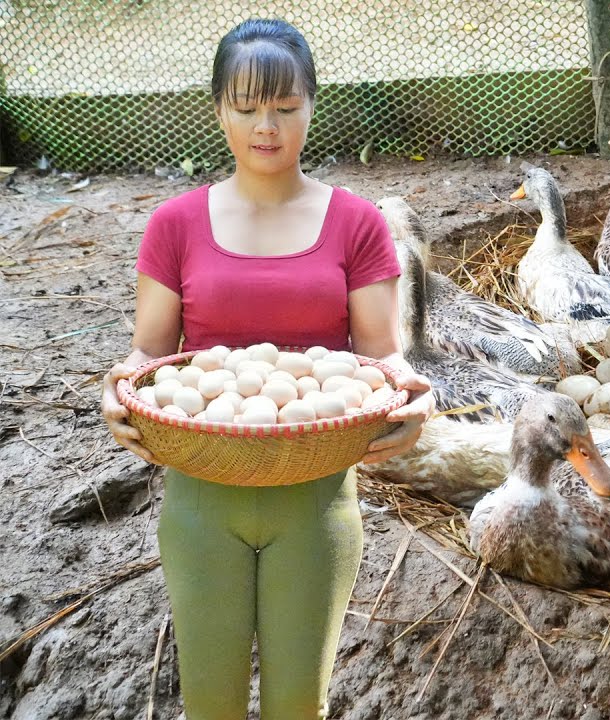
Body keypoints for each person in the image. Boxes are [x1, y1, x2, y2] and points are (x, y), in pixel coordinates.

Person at [99, 18, 434, 720]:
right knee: (210, 706)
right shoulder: (175, 225)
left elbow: (382, 356)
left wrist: (413, 396)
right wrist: (118, 390)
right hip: (200, 500)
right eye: (247, 107)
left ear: (312, 103)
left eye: (285, 106)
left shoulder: (357, 224)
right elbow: (150, 355)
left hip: (315, 501)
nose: (267, 127)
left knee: (298, 708)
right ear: (219, 107)